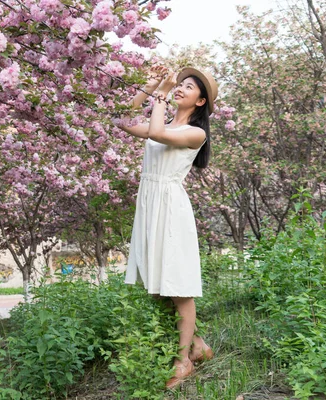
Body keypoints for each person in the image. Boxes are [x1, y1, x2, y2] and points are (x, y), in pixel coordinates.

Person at [117, 65, 217, 389]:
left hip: (171, 207)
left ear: (200, 101)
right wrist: (153, 84)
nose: (180, 88)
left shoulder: (195, 133)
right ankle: (198, 344)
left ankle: (183, 360)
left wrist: (160, 95)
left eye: (188, 87)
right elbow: (123, 119)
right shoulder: (163, 120)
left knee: (179, 288)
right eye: (180, 84)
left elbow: (157, 134)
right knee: (159, 285)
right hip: (149, 204)